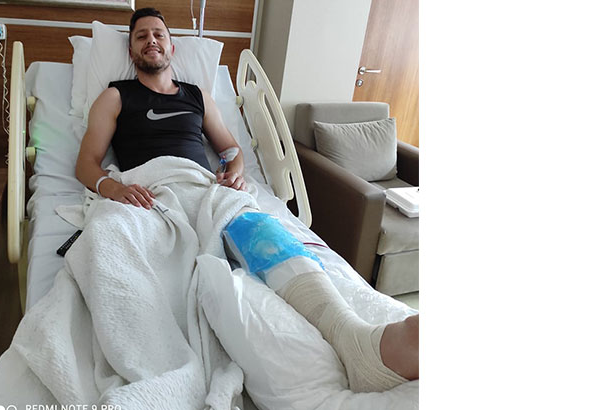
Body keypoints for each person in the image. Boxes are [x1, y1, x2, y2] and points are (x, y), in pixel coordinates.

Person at [74, 7, 418, 393]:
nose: (151, 40)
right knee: (116, 243)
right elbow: (86, 163)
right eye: (141, 36)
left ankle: (352, 335)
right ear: (131, 50)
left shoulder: (197, 96)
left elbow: (230, 149)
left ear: (172, 46)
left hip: (205, 188)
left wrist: (235, 170)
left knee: (260, 229)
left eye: (158, 34)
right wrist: (112, 188)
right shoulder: (115, 96)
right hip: (149, 194)